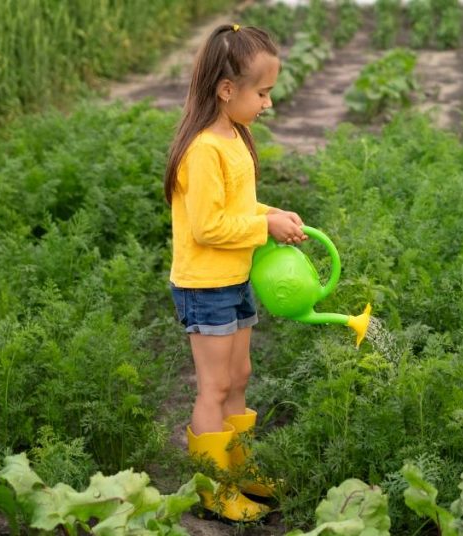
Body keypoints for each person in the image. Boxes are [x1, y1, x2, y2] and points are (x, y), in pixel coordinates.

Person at [163, 23, 305, 522]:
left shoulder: (235, 139)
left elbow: (238, 208)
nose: (267, 103)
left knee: (239, 377)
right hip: (206, 285)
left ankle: (241, 472)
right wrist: (262, 225)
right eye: (262, 92)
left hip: (234, 277)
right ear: (227, 90)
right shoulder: (204, 150)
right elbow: (206, 227)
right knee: (214, 388)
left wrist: (272, 215)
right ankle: (213, 489)